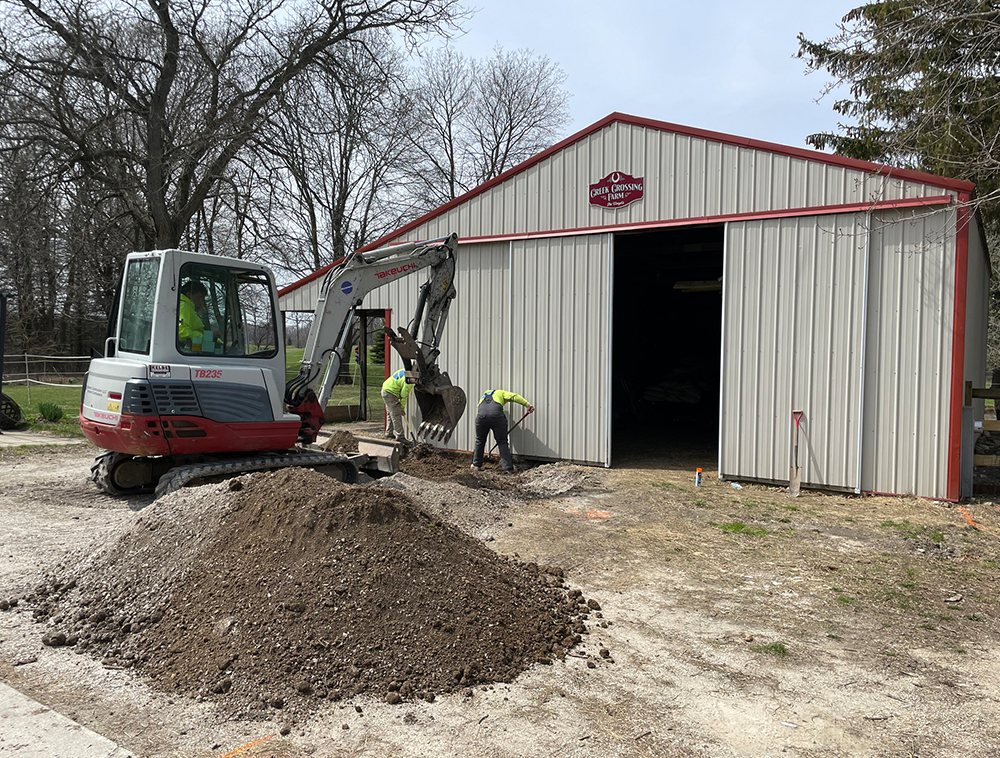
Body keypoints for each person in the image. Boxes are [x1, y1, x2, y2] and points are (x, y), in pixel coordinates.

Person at [471, 390, 534, 473]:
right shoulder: (501, 393)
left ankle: (476, 465)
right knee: (502, 442)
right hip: (497, 416)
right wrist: (528, 405)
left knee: (480, 440)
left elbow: (480, 407)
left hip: (481, 417)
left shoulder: (484, 395)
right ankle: (508, 468)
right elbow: (514, 396)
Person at [381, 368, 413, 442]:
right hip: (390, 393)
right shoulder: (408, 383)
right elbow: (403, 396)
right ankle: (400, 436)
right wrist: (401, 408)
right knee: (396, 415)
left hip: (385, 389)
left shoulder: (404, 370)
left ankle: (389, 433)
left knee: (390, 413)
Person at [178, 280, 207, 348]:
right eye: (200, 297)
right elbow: (181, 332)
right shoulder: (184, 306)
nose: (202, 302)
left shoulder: (186, 307)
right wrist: (205, 339)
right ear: (189, 294)